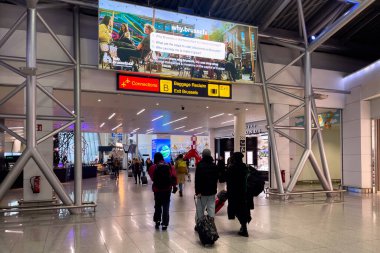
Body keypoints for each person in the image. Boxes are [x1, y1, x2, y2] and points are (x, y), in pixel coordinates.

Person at [148, 152, 177, 230]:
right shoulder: (170, 166)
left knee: (157, 205)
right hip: (167, 189)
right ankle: (165, 224)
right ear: (162, 158)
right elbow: (174, 177)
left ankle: (157, 221)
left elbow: (152, 178)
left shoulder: (152, 167)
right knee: (166, 206)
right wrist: (174, 186)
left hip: (157, 189)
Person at [226, 152, 252, 237]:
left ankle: (244, 228)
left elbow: (228, 181)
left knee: (236, 210)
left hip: (234, 193)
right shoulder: (245, 167)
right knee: (243, 210)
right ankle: (244, 227)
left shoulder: (231, 168)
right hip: (244, 193)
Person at [194, 149, 219, 231]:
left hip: (202, 192)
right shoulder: (214, 165)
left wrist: (197, 191)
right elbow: (216, 178)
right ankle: (211, 224)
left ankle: (199, 225)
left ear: (203, 155)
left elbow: (197, 180)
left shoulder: (200, 165)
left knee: (200, 209)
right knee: (211, 208)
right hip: (212, 191)